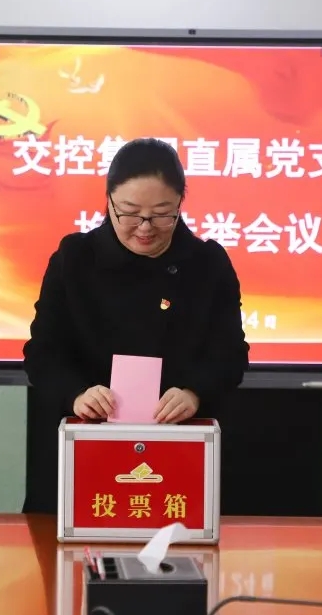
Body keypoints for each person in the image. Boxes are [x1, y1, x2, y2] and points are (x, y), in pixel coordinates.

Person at [21, 137, 250, 514]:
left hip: (178, 449)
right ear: (109, 200)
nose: (145, 228)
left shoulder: (207, 264)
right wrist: (77, 394)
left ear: (180, 203)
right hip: (85, 448)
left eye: (162, 214)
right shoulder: (74, 259)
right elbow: (42, 353)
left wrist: (194, 392)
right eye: (129, 213)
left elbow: (231, 354)